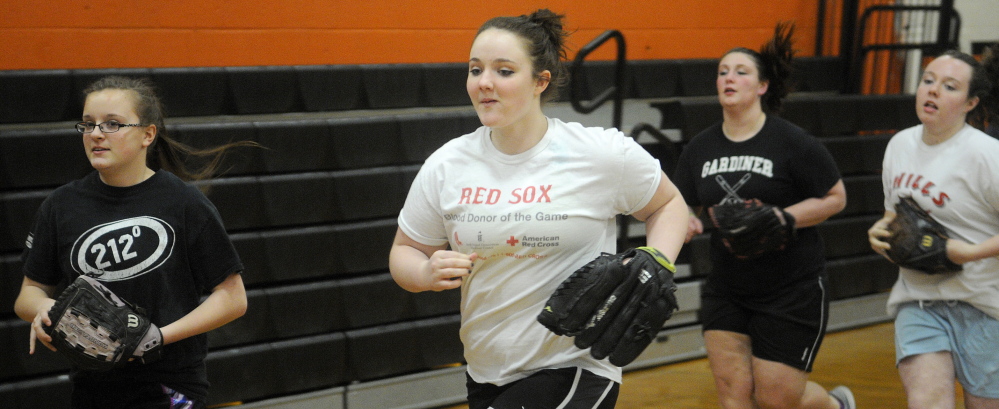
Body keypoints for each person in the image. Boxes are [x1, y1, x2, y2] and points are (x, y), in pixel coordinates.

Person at [388, 9, 689, 409]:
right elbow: (403, 251)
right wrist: (425, 271)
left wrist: (657, 259)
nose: (485, 83)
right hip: (485, 370)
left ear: (540, 81)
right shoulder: (447, 165)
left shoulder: (599, 153)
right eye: (475, 70)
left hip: (574, 365)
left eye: (504, 71)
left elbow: (669, 204)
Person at [13, 76, 251, 409]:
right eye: (88, 124)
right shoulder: (60, 206)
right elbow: (28, 294)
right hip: (92, 389)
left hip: (168, 386)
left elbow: (232, 297)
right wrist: (47, 309)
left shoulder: (184, 204)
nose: (96, 133)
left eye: (113, 124)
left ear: (147, 134)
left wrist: (157, 337)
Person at [672, 23, 855, 409]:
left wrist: (783, 218)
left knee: (775, 398)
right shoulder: (700, 148)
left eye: (740, 72)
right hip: (728, 286)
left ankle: (837, 406)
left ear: (762, 87)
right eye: (723, 71)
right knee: (734, 395)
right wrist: (685, 220)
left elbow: (836, 198)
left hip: (791, 288)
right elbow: (681, 203)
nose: (728, 78)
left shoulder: (793, 142)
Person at [867, 46, 999, 409]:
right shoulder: (899, 145)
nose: (933, 90)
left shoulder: (986, 155)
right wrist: (881, 232)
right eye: (928, 80)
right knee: (927, 401)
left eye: (950, 86)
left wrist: (971, 253)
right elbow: (892, 215)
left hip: (985, 306)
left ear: (971, 103)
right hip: (920, 301)